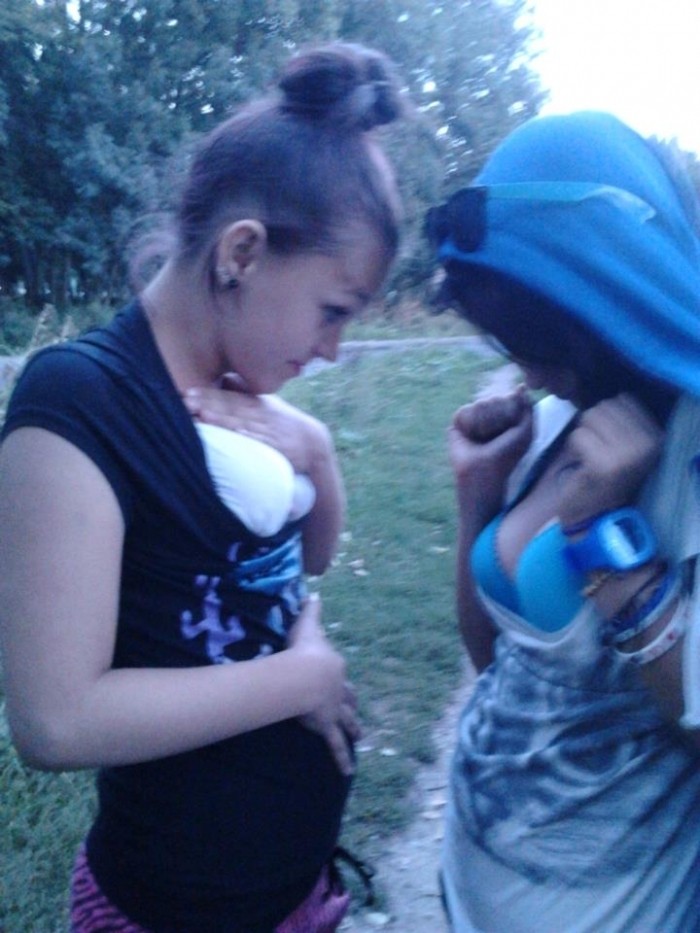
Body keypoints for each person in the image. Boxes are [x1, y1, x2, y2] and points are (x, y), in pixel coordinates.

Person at [0, 42, 404, 932]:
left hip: (293, 892)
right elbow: (55, 720)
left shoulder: (239, 393)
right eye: (333, 310)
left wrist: (318, 452)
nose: (334, 348)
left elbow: (309, 558)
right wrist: (302, 678)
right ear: (241, 253)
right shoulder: (79, 402)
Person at [426, 110, 700, 932]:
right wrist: (479, 492)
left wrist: (612, 558)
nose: (529, 372)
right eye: (504, 341)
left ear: (609, 297)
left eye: (537, 340)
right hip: (471, 888)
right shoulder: (554, 423)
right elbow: (496, 662)